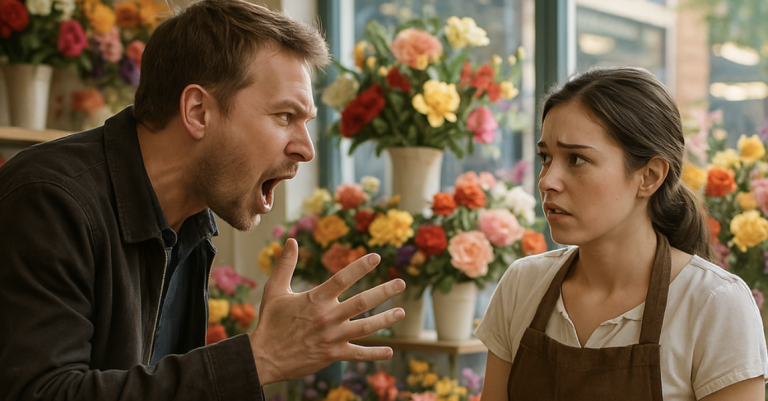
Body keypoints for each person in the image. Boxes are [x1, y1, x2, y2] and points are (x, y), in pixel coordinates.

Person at [0, 0, 406, 399]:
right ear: (197, 111)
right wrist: (259, 359)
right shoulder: (49, 199)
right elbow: (42, 391)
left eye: (307, 122)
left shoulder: (188, 223)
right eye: (285, 116)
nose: (306, 149)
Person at [475, 66, 768, 400]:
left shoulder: (714, 304)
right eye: (545, 157)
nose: (547, 181)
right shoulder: (521, 285)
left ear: (649, 176)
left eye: (576, 159)